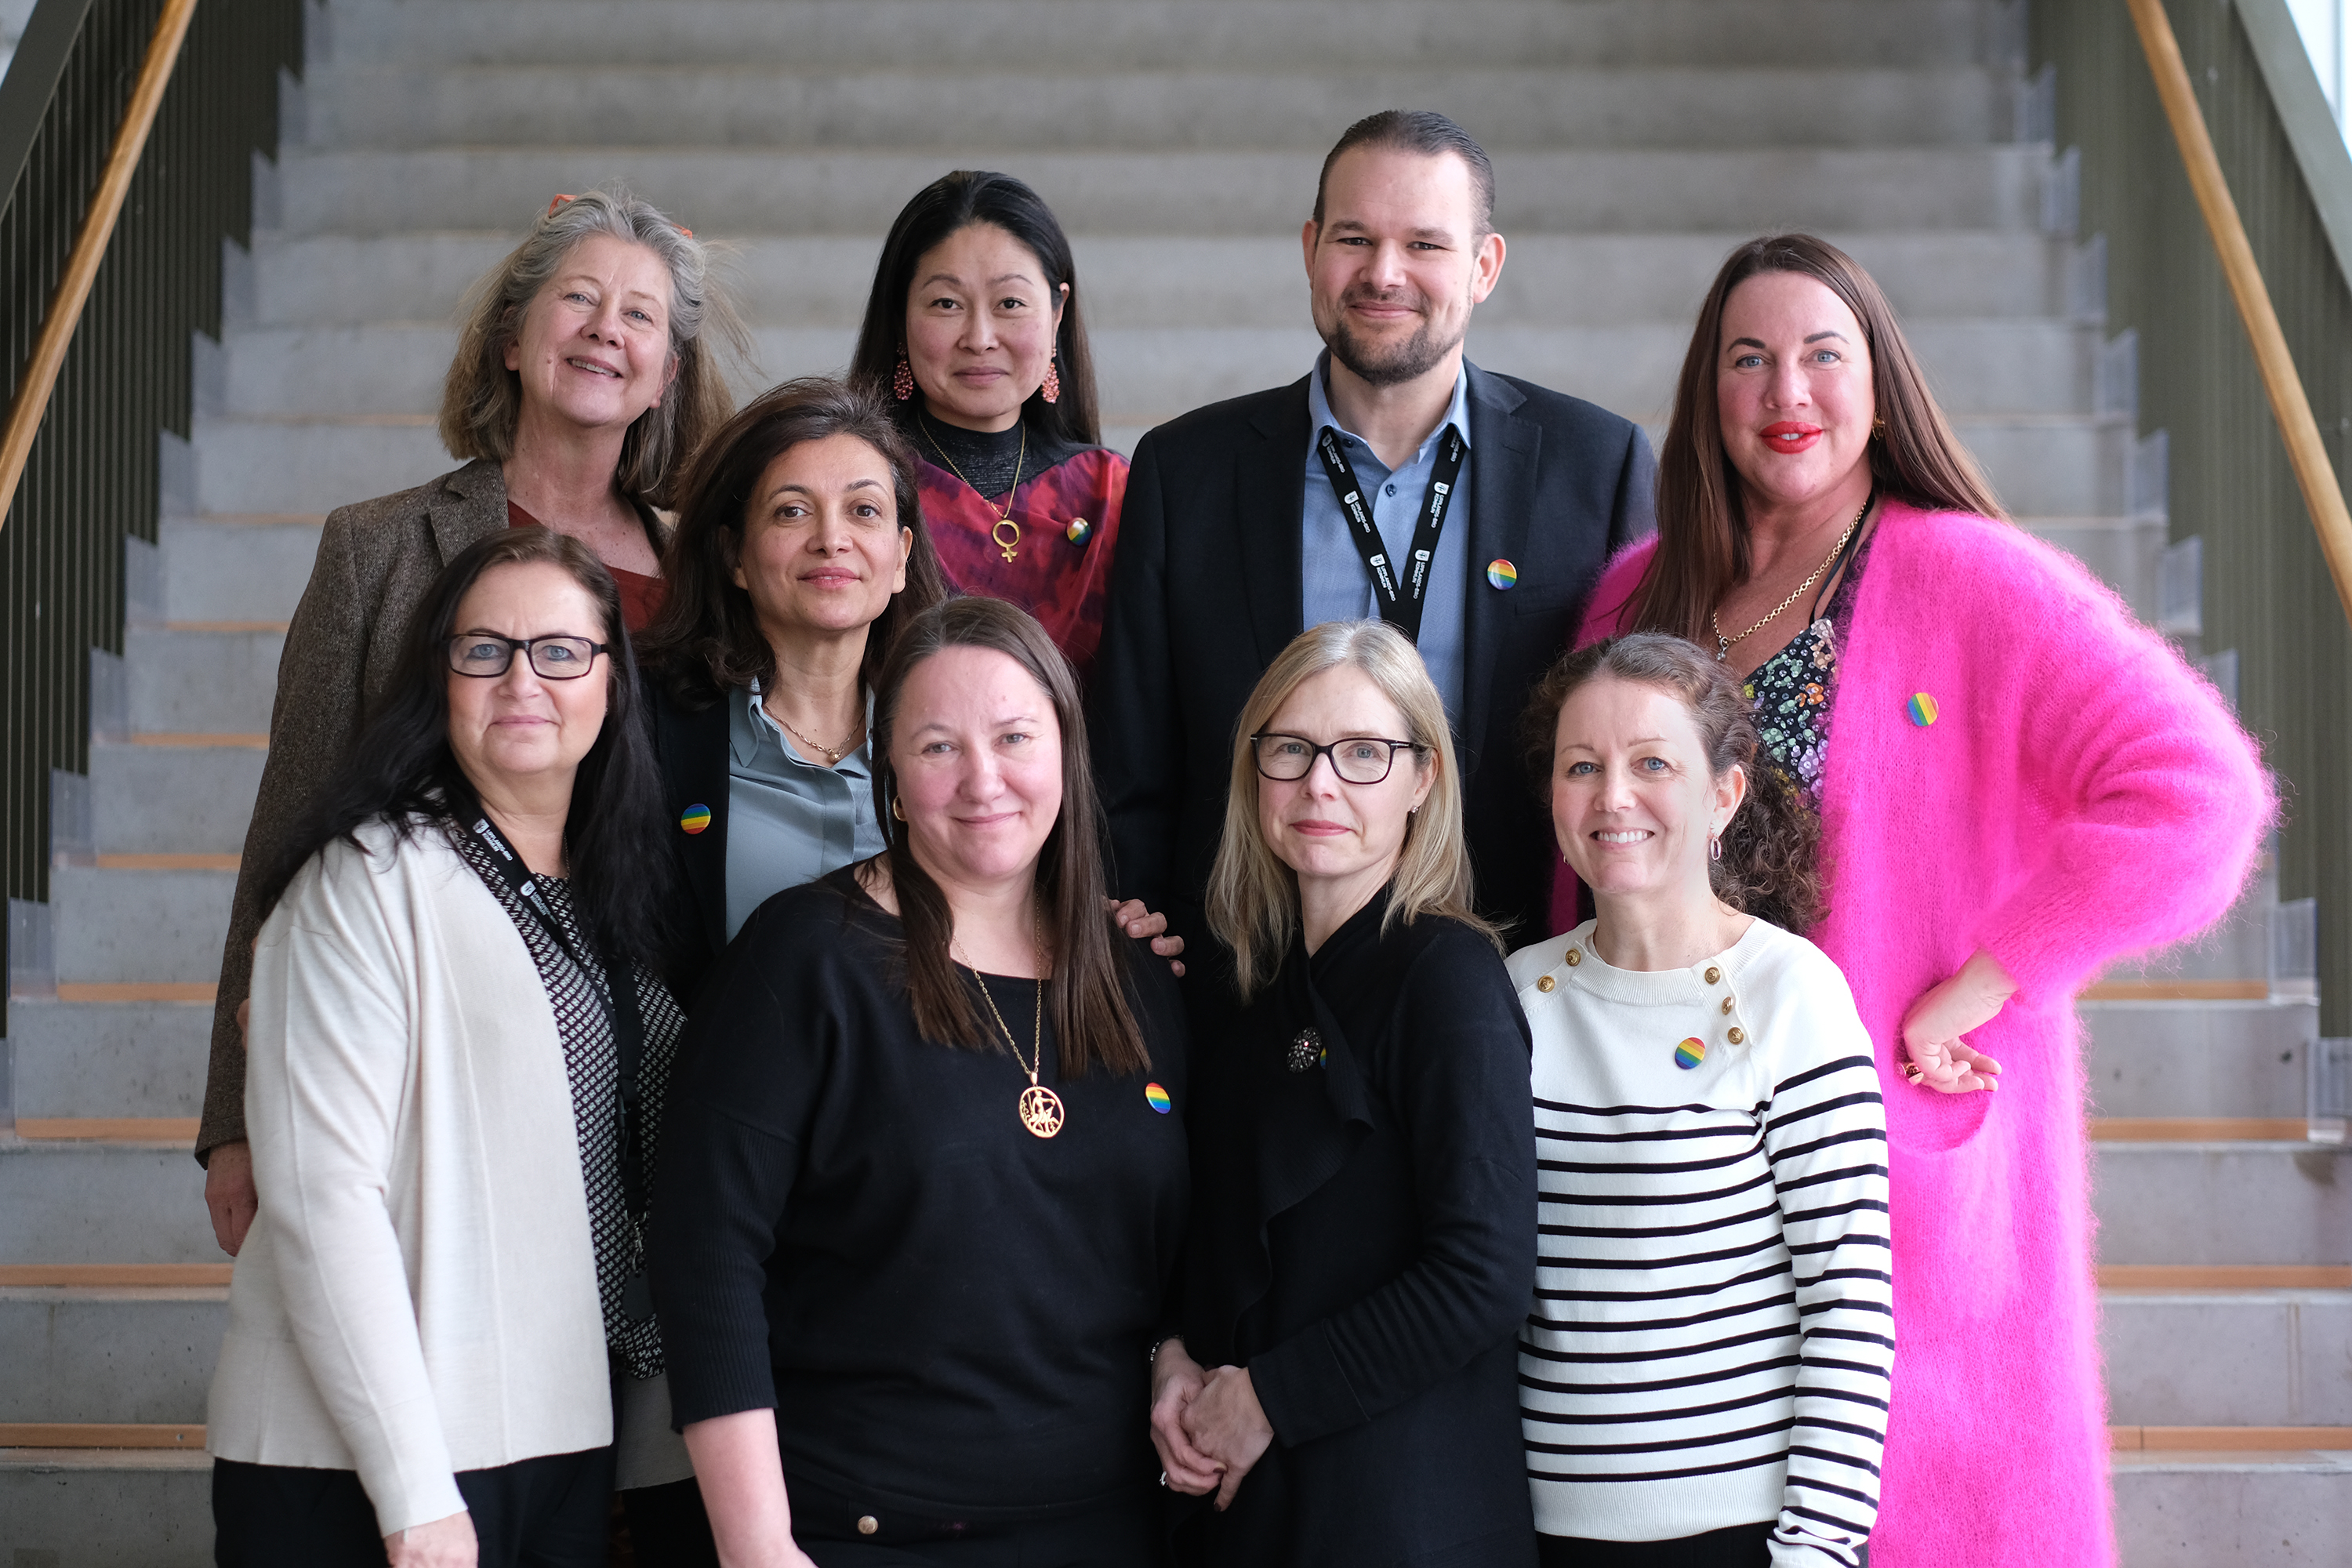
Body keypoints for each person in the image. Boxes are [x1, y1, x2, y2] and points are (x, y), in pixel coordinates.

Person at [1569, 234, 2268, 1567]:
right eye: (1749, 358)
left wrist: (1989, 978)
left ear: (1881, 388)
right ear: (1709, 394)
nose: (1789, 390)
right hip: (1667, 1186)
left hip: (1881, 1168)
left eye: (1824, 355)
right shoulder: (1635, 597)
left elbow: (2201, 794)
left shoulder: (1972, 578)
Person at [201, 188, 743, 1270]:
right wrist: (234, 1116)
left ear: (667, 375)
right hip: (427, 1036)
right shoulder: (378, 549)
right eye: (577, 299)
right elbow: (289, 833)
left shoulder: (708, 577)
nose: (605, 330)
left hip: (650, 1042)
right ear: (510, 337)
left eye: (639, 316)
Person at [649, 597, 1189, 1566]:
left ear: (1067, 752)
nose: (983, 779)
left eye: (1015, 737)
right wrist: (756, 1542)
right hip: (861, 1530)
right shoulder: (805, 957)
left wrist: (1181, 1353)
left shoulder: (1139, 977)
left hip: (1109, 1527)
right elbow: (705, 1254)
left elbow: (1184, 1259)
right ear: (890, 776)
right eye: (939, 745)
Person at [209, 528, 700, 1566]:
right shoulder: (367, 879)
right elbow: (323, 1198)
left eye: (560, 651)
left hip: (554, 1429)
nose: (523, 680)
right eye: (485, 650)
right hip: (370, 1457)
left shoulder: (614, 891)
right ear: (439, 680)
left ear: (612, 681)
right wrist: (414, 1493)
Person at [1091, 109, 1656, 956]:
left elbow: (1636, 744)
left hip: (1514, 968)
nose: (1384, 273)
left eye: (1425, 244)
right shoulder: (1187, 471)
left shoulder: (1596, 466)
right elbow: (1132, 770)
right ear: (1311, 249)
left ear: (1484, 267)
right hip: (1247, 972)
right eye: (1354, 239)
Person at [1153, 619, 1538, 1567]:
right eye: (1291, 748)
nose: (1320, 783)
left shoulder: (1448, 979)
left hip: (1406, 1517)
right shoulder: (1248, 986)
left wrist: (1272, 1396)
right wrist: (1172, 1357)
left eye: (1365, 752)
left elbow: (1485, 1273)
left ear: (1423, 778)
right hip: (1256, 1510)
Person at [1512, 632, 1889, 1567]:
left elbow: (1849, 1304)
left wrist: (1818, 1549)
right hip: (1533, 1532)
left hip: (1742, 1538)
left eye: (1652, 763)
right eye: (1582, 765)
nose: (1613, 796)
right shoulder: (1512, 995)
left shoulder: (1790, 993)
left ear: (1724, 793)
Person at [633, 376, 1178, 1002]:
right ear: (734, 555)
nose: (831, 539)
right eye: (792, 511)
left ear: (900, 556)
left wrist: (1095, 924)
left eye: (863, 511)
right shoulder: (649, 725)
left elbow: (1022, 902)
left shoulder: (958, 730)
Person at [848, 169, 1126, 682]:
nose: (979, 338)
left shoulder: (1112, 492)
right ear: (900, 316)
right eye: (946, 304)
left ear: (1057, 312)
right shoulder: (857, 485)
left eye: (1010, 303)